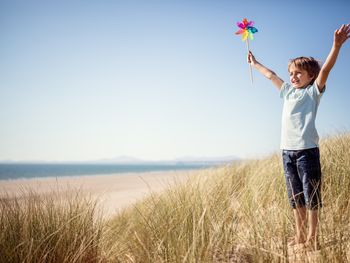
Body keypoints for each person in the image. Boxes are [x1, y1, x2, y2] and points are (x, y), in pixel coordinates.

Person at [247, 24, 350, 251]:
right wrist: (255, 64)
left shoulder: (313, 93)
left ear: (310, 76)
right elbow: (271, 75)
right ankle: (300, 235)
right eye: (291, 73)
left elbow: (325, 71)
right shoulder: (287, 91)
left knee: (311, 197)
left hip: (307, 152)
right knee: (296, 197)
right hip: (287, 152)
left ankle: (313, 238)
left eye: (298, 73)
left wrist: (336, 46)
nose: (293, 76)